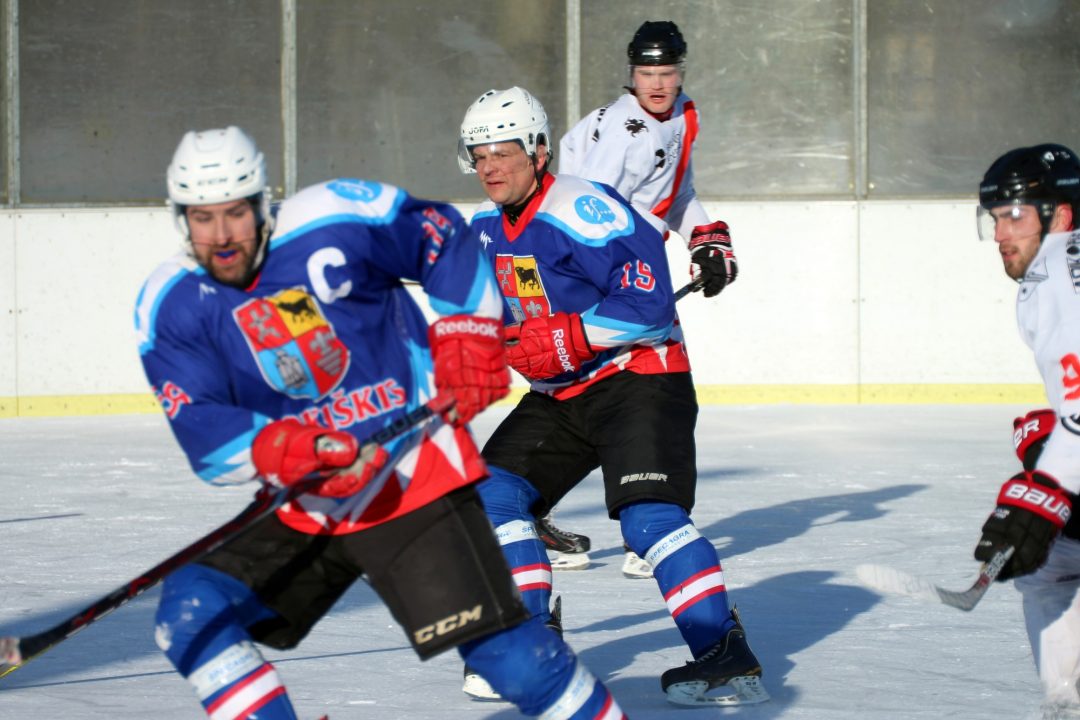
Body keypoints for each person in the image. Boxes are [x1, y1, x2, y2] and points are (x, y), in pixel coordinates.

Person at [134, 126, 627, 720]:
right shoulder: (170, 302)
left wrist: (468, 333)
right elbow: (206, 433)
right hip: (309, 496)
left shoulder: (334, 214)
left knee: (512, 664)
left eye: (236, 213)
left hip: (412, 479)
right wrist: (301, 450)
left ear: (262, 202)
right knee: (193, 612)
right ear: (180, 217)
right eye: (202, 218)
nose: (222, 236)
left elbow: (441, 236)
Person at [456, 87, 767, 707]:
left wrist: (566, 336)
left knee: (648, 521)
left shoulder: (582, 208)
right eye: (479, 155)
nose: (490, 166)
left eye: (504, 152)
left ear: (538, 151)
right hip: (562, 395)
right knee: (490, 497)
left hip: (639, 378)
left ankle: (725, 658)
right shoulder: (485, 228)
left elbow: (648, 306)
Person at [557, 19, 739, 579]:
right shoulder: (623, 131)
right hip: (603, 274)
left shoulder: (681, 116)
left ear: (680, 71)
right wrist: (619, 289)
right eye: (645, 73)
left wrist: (704, 239)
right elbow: (584, 212)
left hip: (630, 273)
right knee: (653, 395)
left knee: (604, 395)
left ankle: (534, 509)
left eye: (666, 71)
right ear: (631, 74)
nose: (657, 83)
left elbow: (676, 194)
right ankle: (653, 531)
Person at [974, 143, 1080, 715]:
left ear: (1059, 215)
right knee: (1053, 565)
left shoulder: (1060, 274)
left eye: (1014, 215)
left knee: (1049, 564)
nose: (1000, 234)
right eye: (994, 218)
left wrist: (1047, 482)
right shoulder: (1049, 273)